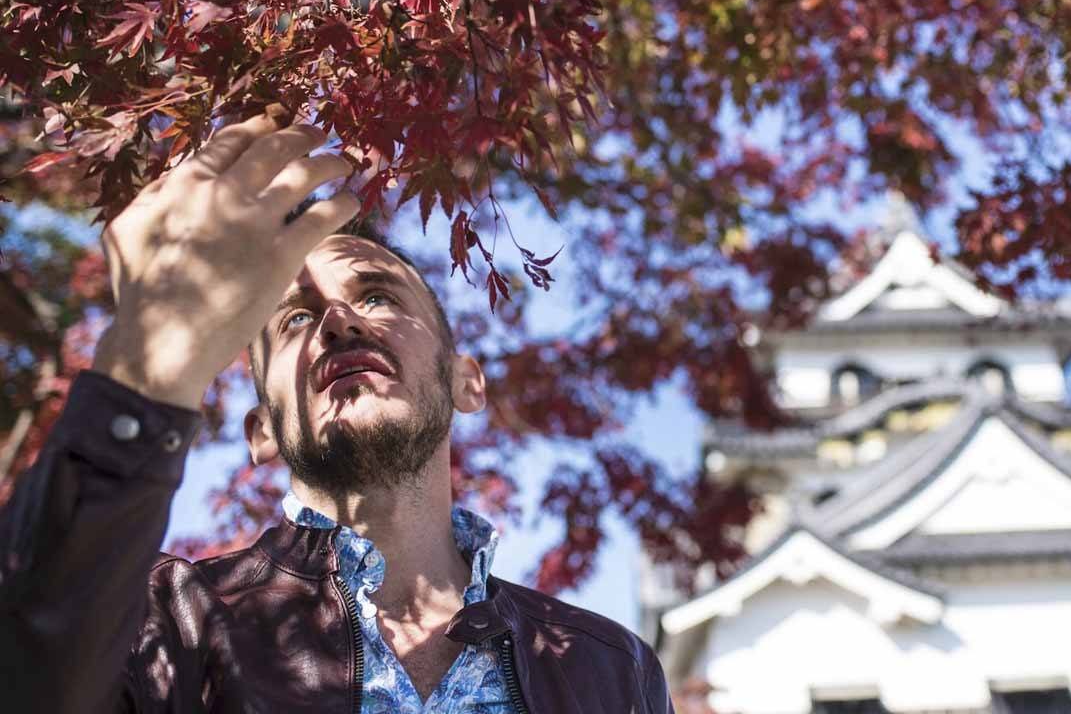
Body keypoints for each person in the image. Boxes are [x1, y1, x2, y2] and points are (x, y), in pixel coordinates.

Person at [0, 106, 675, 713]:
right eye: (295, 318)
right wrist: (141, 368)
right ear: (261, 432)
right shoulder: (163, 625)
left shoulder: (609, 669)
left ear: (468, 380)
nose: (342, 321)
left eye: (379, 296)